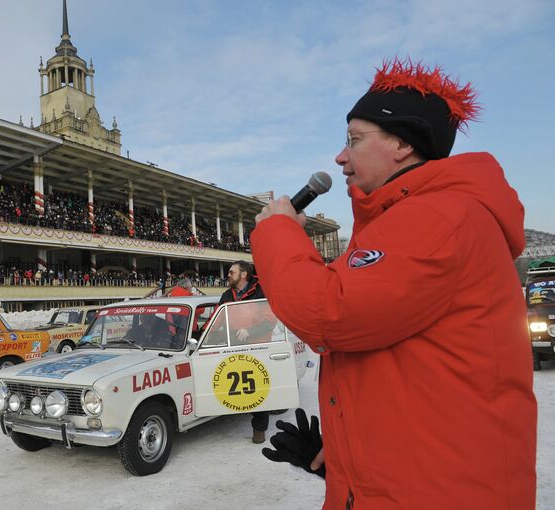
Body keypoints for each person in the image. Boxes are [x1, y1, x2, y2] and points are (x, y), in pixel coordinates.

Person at [252, 59, 536, 509]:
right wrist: (343, 459)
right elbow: (409, 374)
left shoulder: (438, 217)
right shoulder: (411, 221)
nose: (340, 157)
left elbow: (329, 312)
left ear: (402, 143)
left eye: (354, 140)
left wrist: (277, 233)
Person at [217, 260, 272, 444]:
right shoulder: (227, 295)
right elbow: (216, 320)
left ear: (243, 275)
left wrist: (250, 331)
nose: (228, 274)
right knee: (235, 386)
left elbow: (270, 320)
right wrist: (201, 334)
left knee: (257, 390)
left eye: (232, 272)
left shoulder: (260, 291)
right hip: (233, 347)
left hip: (257, 348)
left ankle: (259, 429)